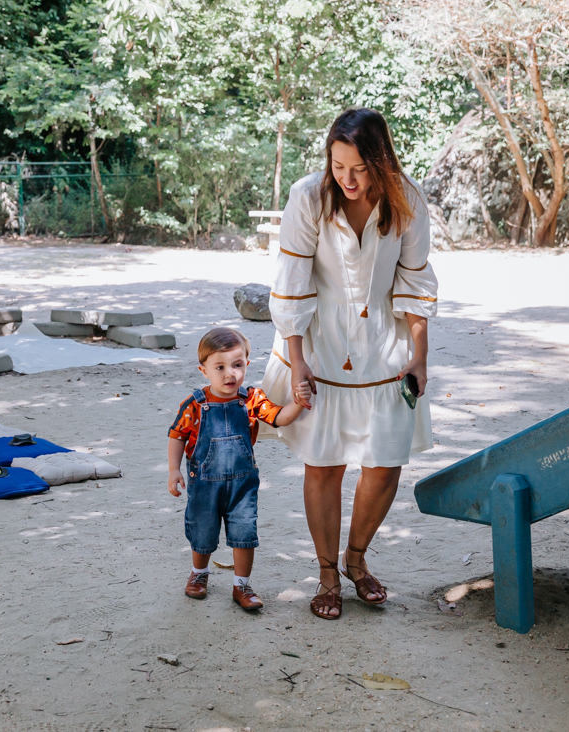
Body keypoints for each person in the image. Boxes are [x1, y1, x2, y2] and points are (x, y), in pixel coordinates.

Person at [260, 107, 438, 620]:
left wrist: (419, 356)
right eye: (339, 166)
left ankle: (356, 559)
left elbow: (415, 283)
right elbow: (292, 285)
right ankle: (326, 573)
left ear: (381, 161)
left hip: (386, 342)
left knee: (385, 465)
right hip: (320, 341)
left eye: (359, 168)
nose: (348, 178)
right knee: (325, 462)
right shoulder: (308, 196)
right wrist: (297, 362)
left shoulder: (408, 198)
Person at [168, 327, 311, 611]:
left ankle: (242, 585)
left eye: (236, 365)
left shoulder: (251, 399)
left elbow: (279, 418)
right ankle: (199, 574)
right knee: (202, 531)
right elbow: (177, 435)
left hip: (242, 486)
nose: (229, 374)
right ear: (204, 370)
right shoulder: (195, 404)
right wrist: (174, 470)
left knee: (244, 534)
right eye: (219, 367)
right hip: (204, 484)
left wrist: (297, 403)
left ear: (247, 364)